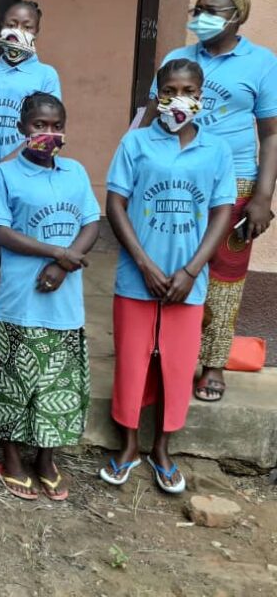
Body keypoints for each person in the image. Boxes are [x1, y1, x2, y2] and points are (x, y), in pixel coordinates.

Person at [140, 0, 277, 402]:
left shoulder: (261, 63)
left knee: (224, 276)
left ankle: (213, 363)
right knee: (172, 265)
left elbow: (271, 136)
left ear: (237, 16)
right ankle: (167, 355)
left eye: (211, 10)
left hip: (234, 180)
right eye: (197, 8)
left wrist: (262, 198)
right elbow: (149, 118)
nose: (201, 16)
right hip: (177, 175)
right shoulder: (176, 59)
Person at [103, 59, 234, 494]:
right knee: (133, 361)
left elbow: (221, 211)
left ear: (200, 96)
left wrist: (192, 269)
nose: (179, 99)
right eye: (170, 90)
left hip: (187, 282)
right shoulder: (136, 144)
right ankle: (128, 446)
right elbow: (116, 204)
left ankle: (162, 448)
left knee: (177, 367)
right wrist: (144, 264)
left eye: (188, 90)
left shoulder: (216, 150)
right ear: (157, 94)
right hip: (138, 277)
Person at [0, 93, 99, 501]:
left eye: (54, 126)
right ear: (22, 129)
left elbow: (90, 223)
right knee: (17, 381)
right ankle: (11, 457)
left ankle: (46, 459)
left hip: (65, 302)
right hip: (21, 297)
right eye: (38, 126)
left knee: (57, 385)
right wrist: (55, 253)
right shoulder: (5, 174)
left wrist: (65, 265)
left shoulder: (76, 173)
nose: (47, 133)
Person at [0, 1, 62, 162]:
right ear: (1, 28)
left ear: (37, 32)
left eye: (27, 27)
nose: (18, 32)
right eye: (11, 25)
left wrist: (6, 165)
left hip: (25, 167)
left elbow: (47, 131)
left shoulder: (46, 75)